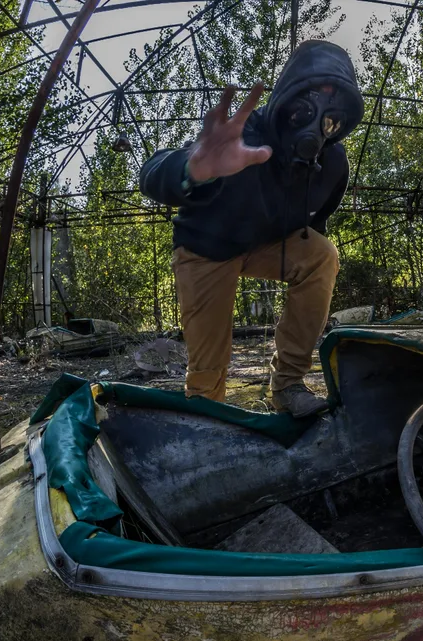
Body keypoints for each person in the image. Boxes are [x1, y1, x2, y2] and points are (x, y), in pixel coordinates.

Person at [139, 40, 363, 417]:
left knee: (322, 255)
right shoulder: (245, 136)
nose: (316, 124)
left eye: (330, 117)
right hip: (206, 248)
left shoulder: (333, 166)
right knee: (207, 377)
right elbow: (151, 173)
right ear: (285, 99)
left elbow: (315, 226)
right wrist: (192, 168)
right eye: (305, 108)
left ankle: (288, 386)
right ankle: (207, 416)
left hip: (267, 242)